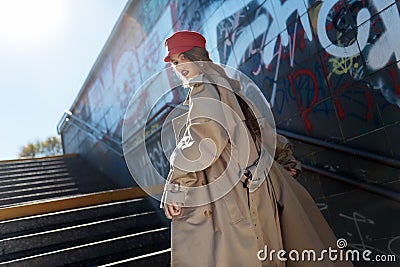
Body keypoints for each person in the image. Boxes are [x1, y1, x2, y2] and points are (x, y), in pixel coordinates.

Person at [160, 31, 353, 267]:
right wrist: (284, 160)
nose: (180, 67)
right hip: (261, 186)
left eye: (183, 58)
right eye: (176, 62)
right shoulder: (231, 86)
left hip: (234, 191)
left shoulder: (204, 87)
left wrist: (177, 184)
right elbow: (262, 127)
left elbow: (203, 135)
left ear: (198, 56)